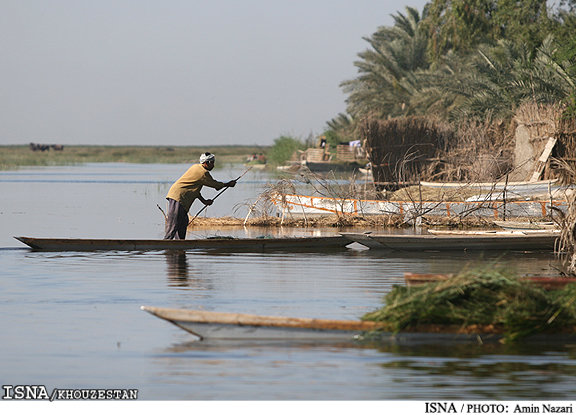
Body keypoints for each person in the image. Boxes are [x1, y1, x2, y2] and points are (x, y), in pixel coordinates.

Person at [164, 152, 236, 240]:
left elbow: (194, 189)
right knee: (174, 224)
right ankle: (166, 243)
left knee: (183, 223)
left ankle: (180, 245)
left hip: (180, 197)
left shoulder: (195, 167)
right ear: (206, 163)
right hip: (178, 197)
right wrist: (228, 184)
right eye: (212, 162)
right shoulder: (203, 173)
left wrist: (204, 201)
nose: (213, 165)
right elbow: (216, 185)